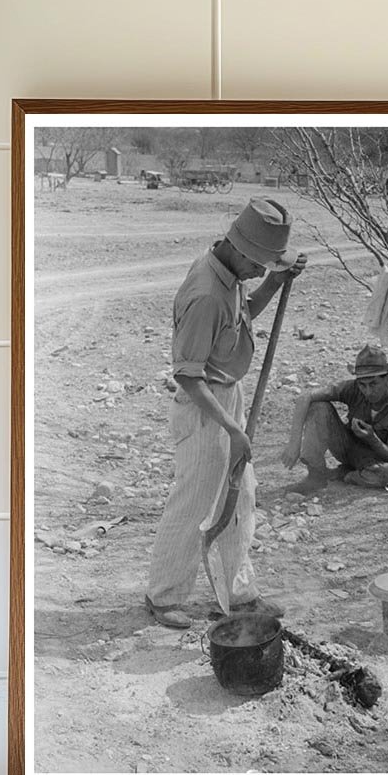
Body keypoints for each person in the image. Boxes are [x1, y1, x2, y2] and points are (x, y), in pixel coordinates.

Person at [144, 198, 307, 628]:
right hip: (204, 409)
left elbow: (243, 317)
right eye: (260, 265)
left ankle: (238, 595)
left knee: (241, 497)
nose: (259, 272)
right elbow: (188, 376)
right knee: (196, 502)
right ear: (241, 251)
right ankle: (163, 596)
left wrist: (275, 281)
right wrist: (233, 428)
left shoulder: (229, 271)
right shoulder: (205, 294)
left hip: (226, 395)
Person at [281, 344, 388, 495]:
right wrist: (294, 443)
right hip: (345, 448)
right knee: (319, 407)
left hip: (375, 460)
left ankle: (343, 475)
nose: (368, 391)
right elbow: (304, 398)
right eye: (362, 385)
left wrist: (372, 439)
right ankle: (316, 476)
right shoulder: (353, 388)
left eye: (373, 384)